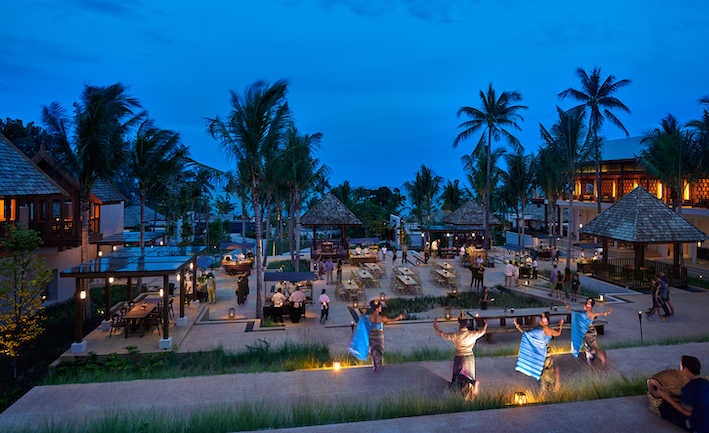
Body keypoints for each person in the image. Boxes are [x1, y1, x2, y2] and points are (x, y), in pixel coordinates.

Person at [433, 314, 488, 400]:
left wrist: (435, 326)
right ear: (467, 323)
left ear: (459, 323)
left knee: (458, 376)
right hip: (470, 357)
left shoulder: (455, 335)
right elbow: (482, 332)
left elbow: (442, 334)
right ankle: (471, 388)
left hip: (459, 357)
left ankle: (462, 392)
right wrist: (485, 326)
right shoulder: (473, 334)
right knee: (470, 376)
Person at [348, 300, 407, 373]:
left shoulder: (368, 317)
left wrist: (364, 310)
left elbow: (361, 318)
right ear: (376, 309)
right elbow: (392, 320)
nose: (381, 308)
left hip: (371, 336)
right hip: (379, 337)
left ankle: (375, 366)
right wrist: (400, 316)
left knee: (373, 350)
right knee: (379, 351)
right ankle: (378, 367)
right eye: (380, 307)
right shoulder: (381, 318)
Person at [656, 355, 709, 433]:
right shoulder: (706, 382)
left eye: (680, 367)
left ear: (686, 369)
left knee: (664, 408)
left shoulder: (688, 388)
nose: (679, 370)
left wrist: (668, 398)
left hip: (700, 426)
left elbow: (687, 413)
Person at [514, 312, 564, 392]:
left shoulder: (537, 331)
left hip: (540, 355)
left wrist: (517, 325)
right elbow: (558, 333)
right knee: (549, 370)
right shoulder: (550, 330)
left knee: (542, 372)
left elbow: (525, 334)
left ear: (541, 321)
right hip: (548, 353)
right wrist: (560, 325)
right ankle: (552, 385)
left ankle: (544, 388)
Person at [564, 297, 611, 367]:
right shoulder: (591, 314)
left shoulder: (582, 314)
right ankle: (590, 359)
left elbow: (570, 311)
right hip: (591, 331)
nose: (584, 306)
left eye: (585, 305)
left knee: (592, 347)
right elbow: (602, 313)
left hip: (589, 332)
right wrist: (607, 312)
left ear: (586, 306)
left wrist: (565, 302)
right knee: (589, 346)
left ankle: (601, 360)